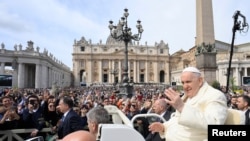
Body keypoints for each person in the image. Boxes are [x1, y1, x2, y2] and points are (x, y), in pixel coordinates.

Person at [148, 66, 228, 141]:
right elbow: (177, 119)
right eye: (183, 83)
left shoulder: (215, 95)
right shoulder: (188, 96)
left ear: (200, 81)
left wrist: (182, 107)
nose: (185, 86)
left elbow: (215, 124)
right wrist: (163, 127)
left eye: (188, 82)